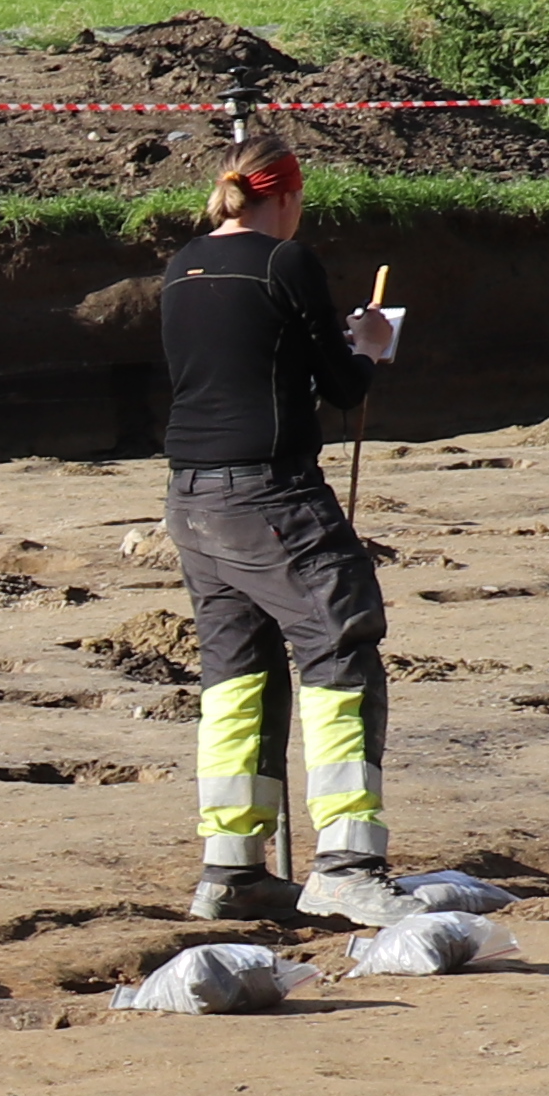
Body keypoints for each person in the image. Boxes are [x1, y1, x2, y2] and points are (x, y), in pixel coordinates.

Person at [158, 133, 405, 924]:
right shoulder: (282, 261)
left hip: (192, 500)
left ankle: (231, 870)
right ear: (287, 196)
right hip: (272, 498)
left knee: (238, 675)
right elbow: (338, 386)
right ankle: (346, 861)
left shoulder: (181, 266)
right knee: (339, 642)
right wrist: (369, 346)